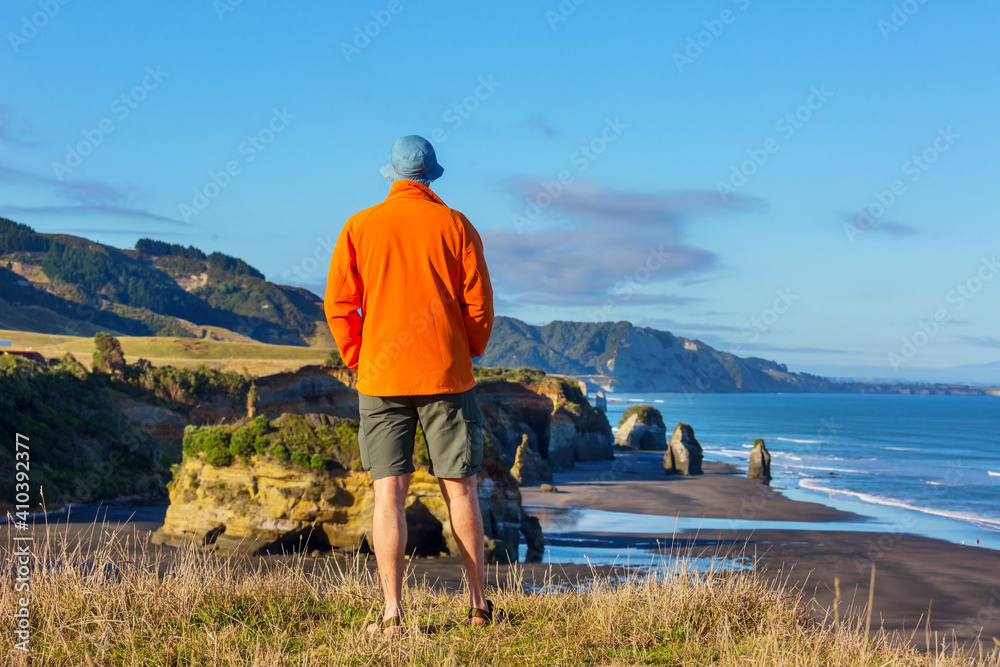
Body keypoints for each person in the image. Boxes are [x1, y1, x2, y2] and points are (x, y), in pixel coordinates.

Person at [324, 135, 495, 634]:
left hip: (381, 375)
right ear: (432, 176)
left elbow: (339, 304)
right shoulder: (456, 225)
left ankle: (393, 614)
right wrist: (468, 350)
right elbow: (479, 305)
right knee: (461, 492)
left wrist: (360, 354)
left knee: (388, 496)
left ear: (392, 176)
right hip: (447, 372)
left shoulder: (360, 226)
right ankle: (479, 606)